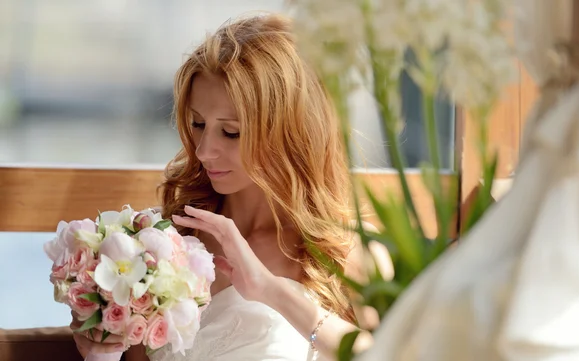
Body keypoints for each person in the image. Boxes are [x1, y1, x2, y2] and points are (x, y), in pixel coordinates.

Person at [71, 12, 374, 361]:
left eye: (231, 132)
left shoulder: (348, 256)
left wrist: (271, 291)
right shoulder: (161, 240)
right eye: (198, 124)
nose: (203, 151)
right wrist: (99, 345)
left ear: (290, 132)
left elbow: (385, 354)